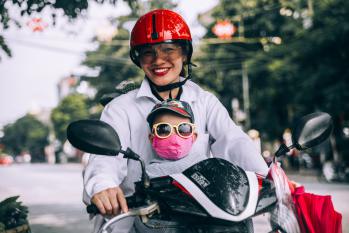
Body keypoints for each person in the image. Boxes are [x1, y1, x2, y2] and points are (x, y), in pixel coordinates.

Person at [83, 9, 268, 233]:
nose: (158, 60)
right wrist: (103, 186)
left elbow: (234, 141)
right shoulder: (120, 109)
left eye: (168, 49)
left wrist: (270, 179)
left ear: (184, 54)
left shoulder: (204, 101)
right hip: (141, 218)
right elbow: (105, 159)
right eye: (148, 53)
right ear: (138, 59)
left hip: (203, 217)